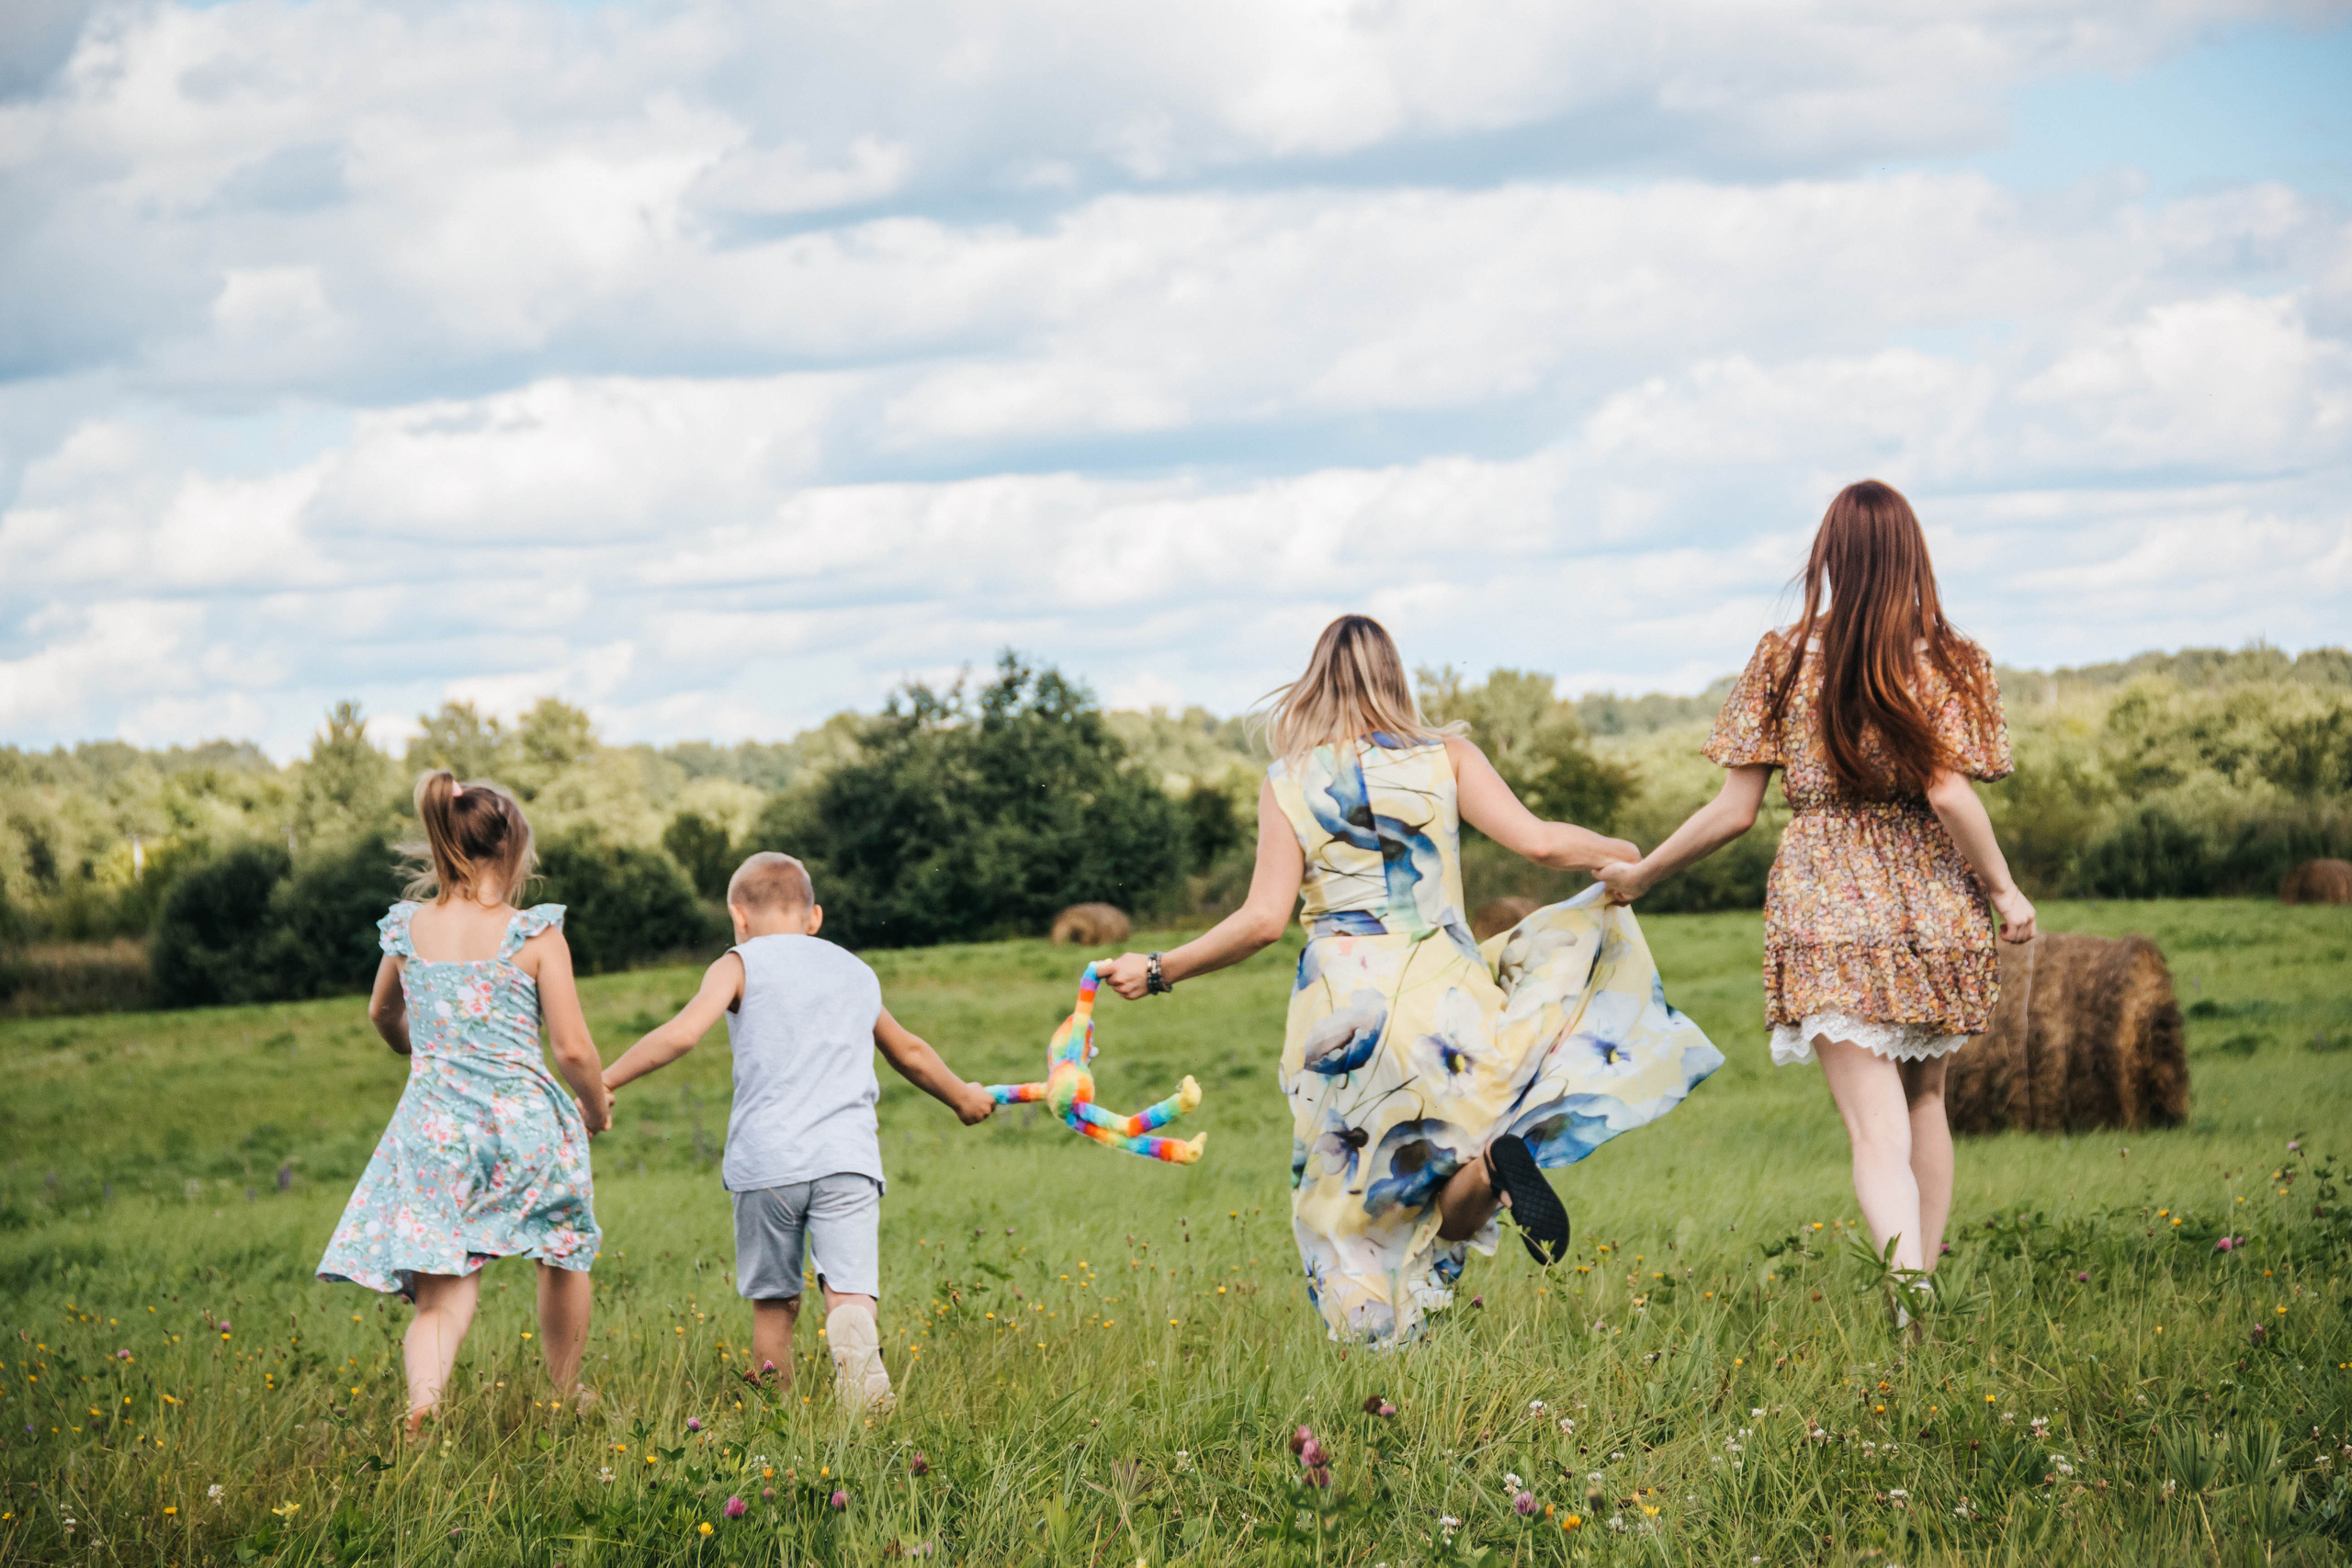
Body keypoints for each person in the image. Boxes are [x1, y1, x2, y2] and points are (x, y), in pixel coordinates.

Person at [1099, 615, 1724, 1345]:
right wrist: (1624, 854)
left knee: (1357, 1204)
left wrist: (1157, 967)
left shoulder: (1290, 781)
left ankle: (1384, 1355)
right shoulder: (1447, 756)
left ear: (1312, 684)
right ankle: (1494, 1170)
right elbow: (1541, 842)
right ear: (1396, 676)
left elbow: (1263, 920)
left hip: (1347, 1018)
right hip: (1448, 994)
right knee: (1455, 1169)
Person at [1595, 479, 2034, 1332]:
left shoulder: (1786, 656)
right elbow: (1948, 794)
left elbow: (1733, 812)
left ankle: (1913, 1301)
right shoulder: (1950, 659)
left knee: (1874, 1131)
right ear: (1914, 554)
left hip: (1826, 897)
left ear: (1829, 555)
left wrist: (1645, 873)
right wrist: (2004, 888)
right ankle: (1923, 1301)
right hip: (1931, 901)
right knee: (1926, 1102)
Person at [601, 852, 995, 1408]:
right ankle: (857, 1359)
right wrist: (962, 1096)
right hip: (847, 1159)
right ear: (815, 918)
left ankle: (774, 1415)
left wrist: (607, 1078)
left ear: (738, 915)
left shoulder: (738, 963)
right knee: (850, 1290)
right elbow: (907, 1051)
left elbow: (683, 1034)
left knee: (774, 1302)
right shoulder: (854, 970)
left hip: (767, 1163)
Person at [317, 771, 612, 1436]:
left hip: (436, 1126)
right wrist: (593, 1107)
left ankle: (423, 1402)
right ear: (512, 852)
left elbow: (382, 1012)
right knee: (561, 1245)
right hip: (522, 1124)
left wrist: (413, 1047)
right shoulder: (534, 932)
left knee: (442, 1298)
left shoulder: (407, 928)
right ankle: (567, 1388)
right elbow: (571, 1047)